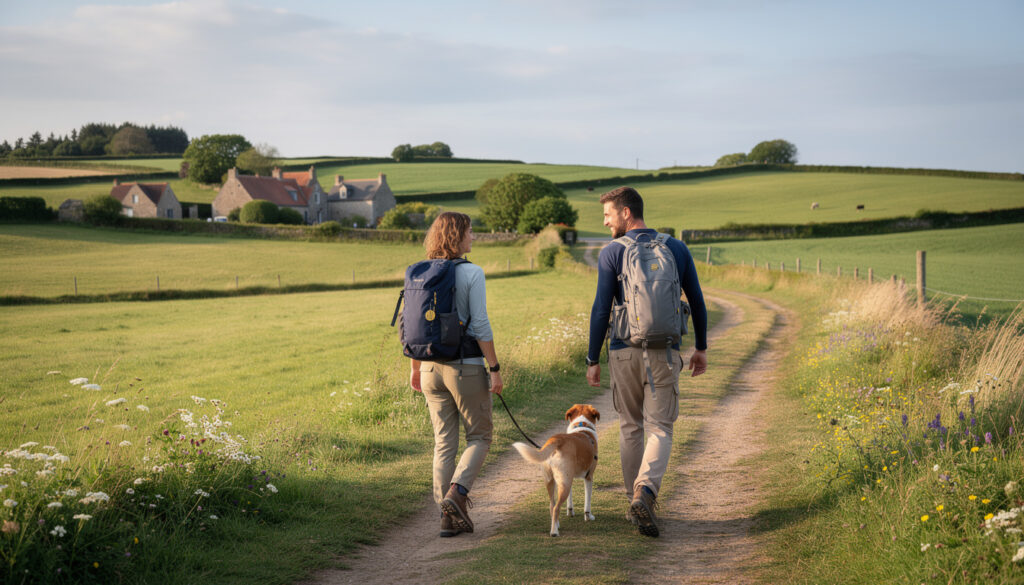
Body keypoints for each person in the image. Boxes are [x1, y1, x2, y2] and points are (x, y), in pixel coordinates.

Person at [585, 186, 708, 537]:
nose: (606, 221)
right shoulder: (676, 248)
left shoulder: (612, 252)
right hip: (664, 352)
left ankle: (632, 501)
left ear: (626, 213)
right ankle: (646, 492)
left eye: (608, 214)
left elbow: (600, 309)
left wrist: (593, 357)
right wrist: (700, 346)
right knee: (660, 427)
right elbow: (696, 301)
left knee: (630, 426)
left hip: (623, 349)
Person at [408, 211, 504, 538]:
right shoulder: (472, 273)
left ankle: (446, 518)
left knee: (443, 442)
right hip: (465, 366)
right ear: (457, 236)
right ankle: (457, 494)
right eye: (470, 232)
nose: (473, 237)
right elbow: (479, 325)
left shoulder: (420, 272)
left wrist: (415, 368)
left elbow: (410, 326)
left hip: (428, 367)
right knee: (480, 436)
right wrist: (494, 368)